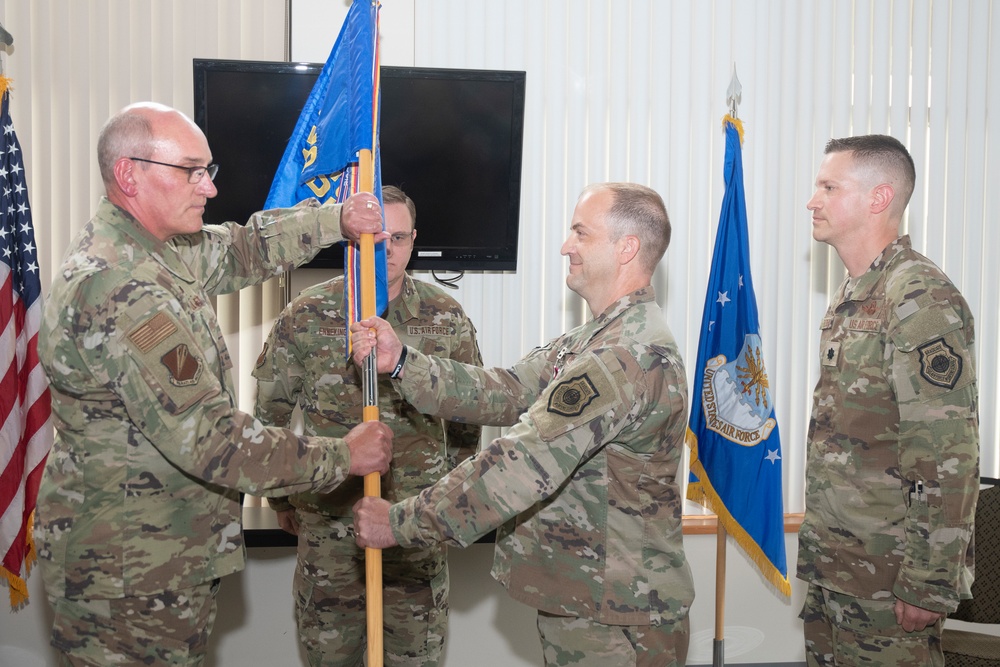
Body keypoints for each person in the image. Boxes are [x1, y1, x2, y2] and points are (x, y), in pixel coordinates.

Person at [35, 101, 393, 667]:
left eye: (209, 171)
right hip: (129, 579)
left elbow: (245, 248)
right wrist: (342, 457)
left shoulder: (159, 250)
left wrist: (335, 220)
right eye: (191, 171)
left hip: (162, 558)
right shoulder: (120, 288)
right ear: (130, 174)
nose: (209, 188)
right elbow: (213, 440)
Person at [351, 182, 695, 667]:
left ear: (627, 248)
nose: (565, 246)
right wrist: (403, 361)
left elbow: (518, 463)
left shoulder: (623, 355)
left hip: (617, 614)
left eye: (580, 232)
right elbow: (507, 389)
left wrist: (398, 522)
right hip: (593, 598)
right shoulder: (596, 338)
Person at [253, 185, 483, 666]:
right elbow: (272, 413)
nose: (389, 250)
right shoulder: (307, 316)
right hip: (330, 526)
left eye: (399, 238)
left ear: (414, 239)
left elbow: (467, 420)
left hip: (414, 528)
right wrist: (281, 498)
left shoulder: (446, 318)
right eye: (378, 238)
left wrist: (445, 504)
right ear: (355, 240)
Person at [797, 134, 979, 666]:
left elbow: (947, 455)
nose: (813, 200)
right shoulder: (854, 296)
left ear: (878, 198)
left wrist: (927, 581)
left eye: (829, 186)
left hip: (889, 579)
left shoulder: (918, 298)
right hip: (839, 566)